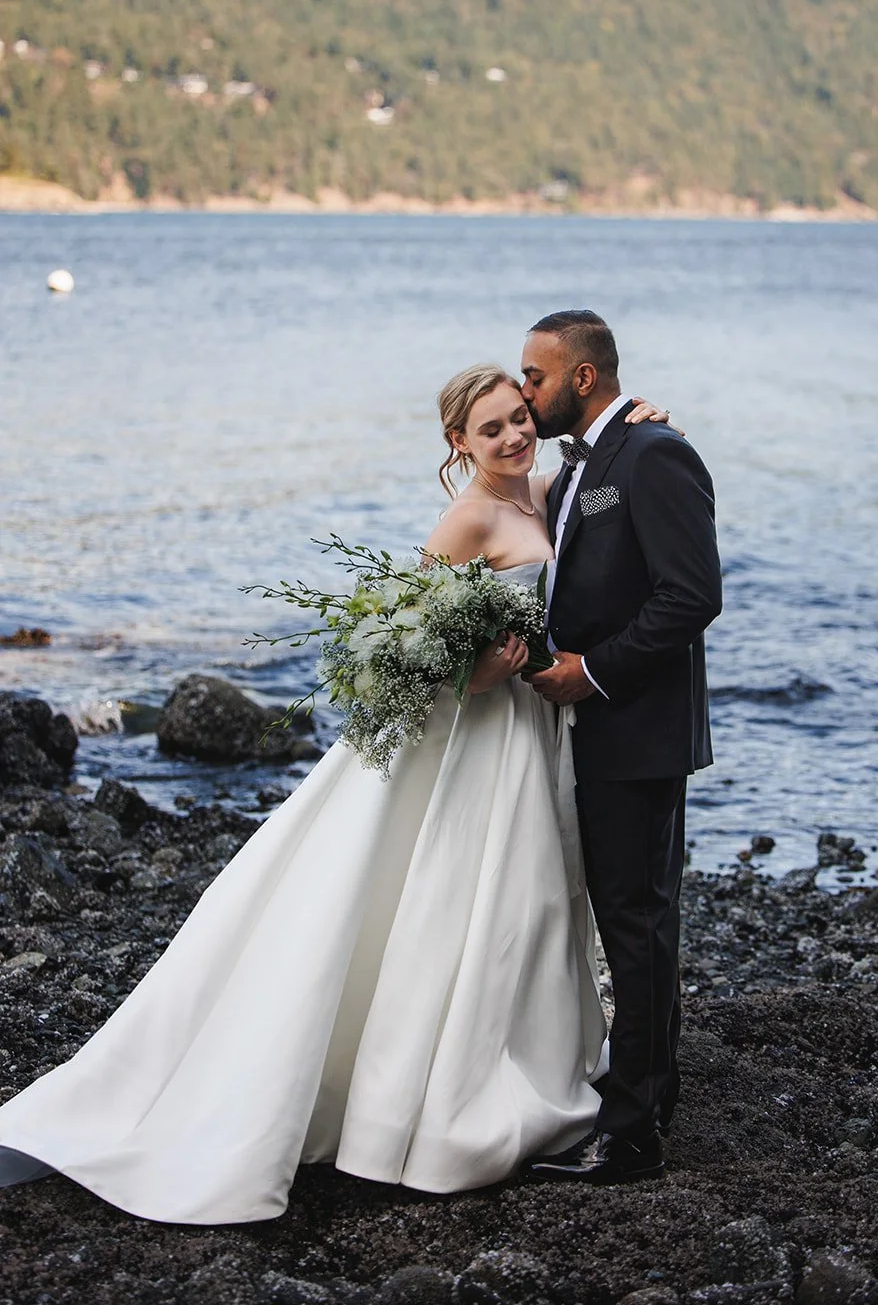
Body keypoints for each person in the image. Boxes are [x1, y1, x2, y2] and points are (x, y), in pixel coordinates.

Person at [0, 365, 672, 1223]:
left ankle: (515, 1059)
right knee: (458, 902)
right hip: (476, 740)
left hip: (529, 742)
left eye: (518, 420)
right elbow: (409, 653)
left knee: (528, 905)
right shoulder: (467, 517)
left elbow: (595, 469)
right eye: (491, 429)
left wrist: (639, 421)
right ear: (457, 444)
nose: (512, 438)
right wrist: (477, 673)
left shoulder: (542, 491)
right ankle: (426, 1099)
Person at [521, 310, 721, 1187]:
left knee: (634, 927)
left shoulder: (653, 454)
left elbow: (689, 597)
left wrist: (592, 675)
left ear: (584, 378)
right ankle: (648, 1098)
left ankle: (632, 1136)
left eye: (536, 376)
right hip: (588, 730)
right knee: (631, 924)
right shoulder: (575, 474)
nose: (526, 391)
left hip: (635, 731)